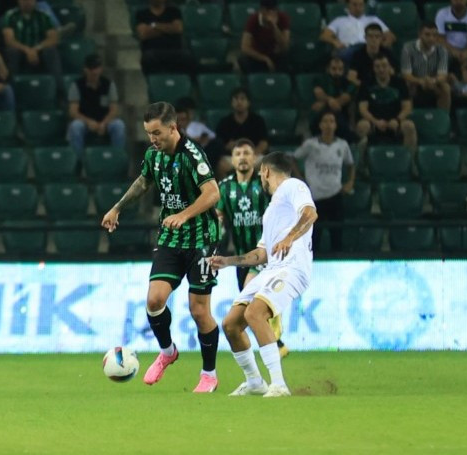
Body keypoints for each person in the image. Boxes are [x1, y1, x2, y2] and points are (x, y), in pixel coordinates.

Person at [101, 102, 222, 393]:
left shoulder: (192, 155)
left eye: (157, 132)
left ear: (173, 127)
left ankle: (209, 374)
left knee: (199, 310)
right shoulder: (153, 155)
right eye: (148, 133)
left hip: (202, 239)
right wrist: (117, 208)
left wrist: (183, 214)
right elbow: (144, 182)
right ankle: (168, 352)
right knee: (154, 301)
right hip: (170, 237)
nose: (152, 139)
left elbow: (213, 193)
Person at [210, 151, 318, 398]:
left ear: (266, 171)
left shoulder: (293, 186)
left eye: (261, 175)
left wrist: (290, 237)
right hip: (271, 269)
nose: (261, 179)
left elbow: (310, 214)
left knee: (255, 312)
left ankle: (278, 384)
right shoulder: (272, 210)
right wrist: (228, 261)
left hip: (292, 269)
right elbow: (262, 254)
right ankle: (254, 382)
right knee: (231, 324)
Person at [215, 139, 288, 358]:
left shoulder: (263, 185)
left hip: (264, 252)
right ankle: (275, 340)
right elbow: (219, 218)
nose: (243, 157)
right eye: (238, 153)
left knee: (251, 297)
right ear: (232, 159)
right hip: (241, 257)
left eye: (247, 153)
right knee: (247, 305)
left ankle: (274, 340)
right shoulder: (225, 187)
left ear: (255, 158)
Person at [293, 111, 355, 252]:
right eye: (325, 121)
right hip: (315, 197)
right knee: (314, 237)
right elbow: (292, 158)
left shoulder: (342, 145)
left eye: (331, 121)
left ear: (336, 125)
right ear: (320, 125)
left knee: (337, 236)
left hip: (335, 194)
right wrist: (301, 179)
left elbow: (351, 164)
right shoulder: (310, 144)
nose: (328, 125)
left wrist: (350, 182)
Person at [67, 54, 126, 160]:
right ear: (85, 69)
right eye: (91, 68)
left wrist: (104, 123)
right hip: (85, 121)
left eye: (96, 68)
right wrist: (89, 122)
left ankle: (118, 159)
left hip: (104, 121)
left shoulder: (108, 84)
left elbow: (114, 109)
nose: (94, 72)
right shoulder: (77, 85)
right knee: (75, 126)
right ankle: (78, 162)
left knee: (119, 125)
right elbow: (73, 111)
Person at [356, 54, 417, 152]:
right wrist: (375, 121)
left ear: (390, 67)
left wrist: (397, 120)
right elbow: (363, 109)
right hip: (373, 123)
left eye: (384, 66)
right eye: (377, 66)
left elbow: (407, 107)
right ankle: (361, 163)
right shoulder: (366, 83)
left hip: (396, 122)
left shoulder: (399, 83)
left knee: (409, 126)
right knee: (362, 126)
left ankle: (410, 161)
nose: (381, 69)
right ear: (373, 68)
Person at [212, 88, 268, 178]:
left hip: (254, 156)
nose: (239, 102)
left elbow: (264, 143)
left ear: (248, 102)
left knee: (266, 163)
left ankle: (262, 191)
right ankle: (224, 191)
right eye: (236, 99)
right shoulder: (224, 122)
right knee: (221, 165)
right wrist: (228, 146)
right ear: (231, 103)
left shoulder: (258, 120)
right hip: (232, 157)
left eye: (242, 99)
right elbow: (219, 144)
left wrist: (254, 153)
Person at [2, 0, 62, 81]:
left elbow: (53, 39)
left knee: (51, 50)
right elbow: (9, 40)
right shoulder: (10, 15)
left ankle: (59, 88)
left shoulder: (44, 15)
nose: (27, 2)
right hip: (20, 51)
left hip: (39, 51)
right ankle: (11, 85)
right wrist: (27, 50)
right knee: (11, 51)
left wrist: (36, 49)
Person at [320, 0, 395, 64]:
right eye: (354, 5)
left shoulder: (373, 19)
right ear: (348, 6)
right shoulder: (339, 20)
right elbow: (324, 35)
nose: (358, 8)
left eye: (360, 5)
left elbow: (390, 36)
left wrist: (382, 45)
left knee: (385, 54)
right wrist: (335, 42)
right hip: (350, 49)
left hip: (370, 48)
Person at [135, 0, 194, 74]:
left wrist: (155, 26)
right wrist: (169, 29)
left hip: (175, 50)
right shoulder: (142, 14)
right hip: (152, 51)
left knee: (187, 56)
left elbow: (178, 29)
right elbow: (143, 34)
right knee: (148, 58)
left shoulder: (174, 11)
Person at [401, 22, 451, 109]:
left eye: (434, 35)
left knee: (446, 87)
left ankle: (443, 117)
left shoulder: (442, 50)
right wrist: (421, 81)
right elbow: (406, 75)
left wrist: (433, 80)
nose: (431, 38)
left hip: (433, 82)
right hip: (415, 81)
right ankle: (409, 116)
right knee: (407, 85)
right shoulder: (408, 48)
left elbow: (442, 75)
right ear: (420, 35)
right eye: (427, 35)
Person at [239, 0, 291, 74]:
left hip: (275, 54)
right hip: (258, 55)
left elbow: (285, 46)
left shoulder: (283, 18)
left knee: (287, 59)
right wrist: (265, 58)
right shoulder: (253, 19)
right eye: (267, 11)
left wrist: (274, 26)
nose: (271, 14)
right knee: (244, 61)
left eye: (273, 10)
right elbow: (245, 47)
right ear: (261, 10)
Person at [311, 56, 356, 140]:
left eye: (340, 69)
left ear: (343, 70)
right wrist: (330, 100)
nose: (337, 72)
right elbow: (318, 93)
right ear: (328, 69)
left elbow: (344, 99)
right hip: (322, 113)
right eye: (334, 69)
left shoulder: (349, 83)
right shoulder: (319, 79)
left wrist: (325, 102)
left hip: (340, 114)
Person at [435, 0, 467, 82]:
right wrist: (454, 51)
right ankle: (442, 81)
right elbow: (440, 38)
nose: (458, 1)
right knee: (442, 56)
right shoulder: (442, 14)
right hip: (448, 50)